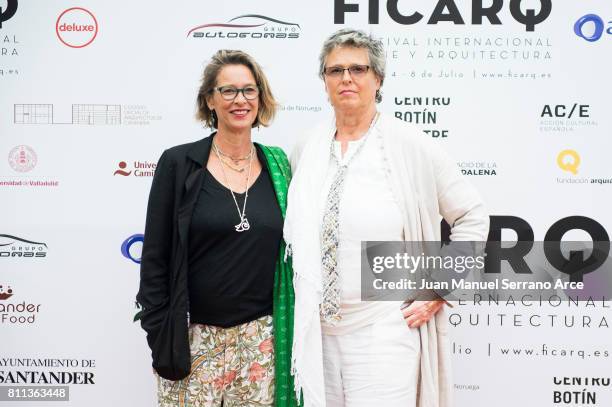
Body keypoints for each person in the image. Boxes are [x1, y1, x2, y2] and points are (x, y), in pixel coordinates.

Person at [284, 29, 489, 407]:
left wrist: (440, 288)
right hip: (316, 332)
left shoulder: (411, 145)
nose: (346, 78)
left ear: (378, 79)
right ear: (324, 81)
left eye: (358, 69)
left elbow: (471, 216)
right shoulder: (306, 148)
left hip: (383, 328)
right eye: (335, 70)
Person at [136, 49, 297, 407]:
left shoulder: (279, 167)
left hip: (262, 343)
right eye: (228, 91)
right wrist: (161, 334)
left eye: (249, 90)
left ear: (260, 98)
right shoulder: (179, 164)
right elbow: (155, 259)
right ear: (209, 99)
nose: (240, 100)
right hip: (193, 340)